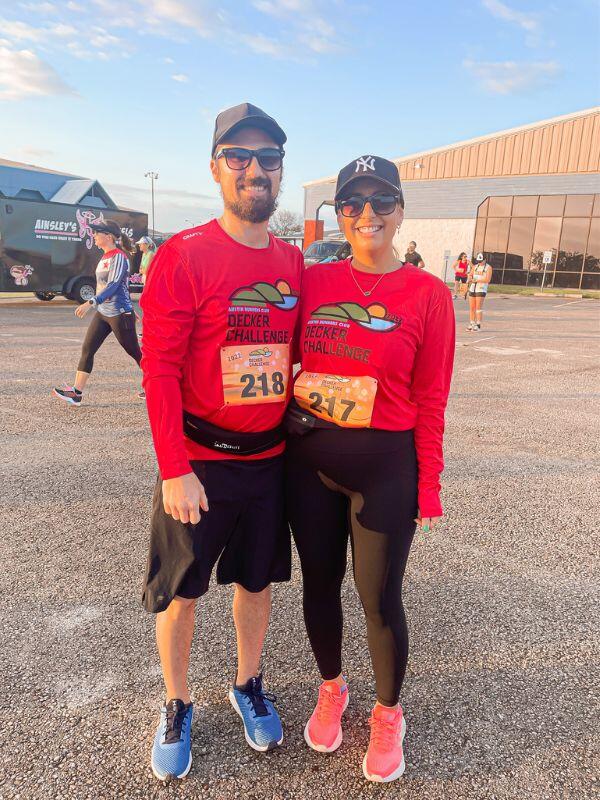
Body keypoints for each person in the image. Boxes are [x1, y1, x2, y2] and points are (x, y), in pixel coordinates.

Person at [140, 102, 303, 781]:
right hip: (199, 462)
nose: (254, 170)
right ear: (216, 170)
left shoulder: (294, 261)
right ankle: (177, 701)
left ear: (280, 172)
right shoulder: (185, 254)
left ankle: (247, 683)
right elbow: (160, 370)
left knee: (258, 583)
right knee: (183, 592)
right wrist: (175, 469)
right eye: (238, 158)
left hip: (268, 461)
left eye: (268, 159)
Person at [285, 156, 455, 783]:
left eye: (380, 201)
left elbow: (433, 397)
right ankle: (332, 687)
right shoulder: (314, 281)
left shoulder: (429, 295)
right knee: (319, 586)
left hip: (386, 466)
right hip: (311, 462)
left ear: (401, 209)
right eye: (351, 204)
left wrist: (427, 485)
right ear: (339, 214)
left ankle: (388, 713)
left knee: (378, 597)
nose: (367, 215)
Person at [52, 219, 143, 405]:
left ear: (108, 236)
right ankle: (76, 393)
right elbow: (107, 286)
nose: (93, 236)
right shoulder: (104, 258)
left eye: (96, 233)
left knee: (135, 352)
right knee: (87, 349)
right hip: (103, 313)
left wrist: (90, 302)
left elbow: (114, 285)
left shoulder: (119, 257)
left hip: (119, 314)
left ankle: (159, 385)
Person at [466, 252, 492, 331]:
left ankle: (478, 324)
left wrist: (477, 280)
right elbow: (470, 274)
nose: (479, 263)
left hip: (481, 288)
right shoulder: (475, 267)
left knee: (478, 307)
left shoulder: (488, 268)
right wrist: (469, 278)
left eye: (481, 261)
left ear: (485, 260)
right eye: (478, 261)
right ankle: (471, 323)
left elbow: (488, 279)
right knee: (472, 307)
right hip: (473, 288)